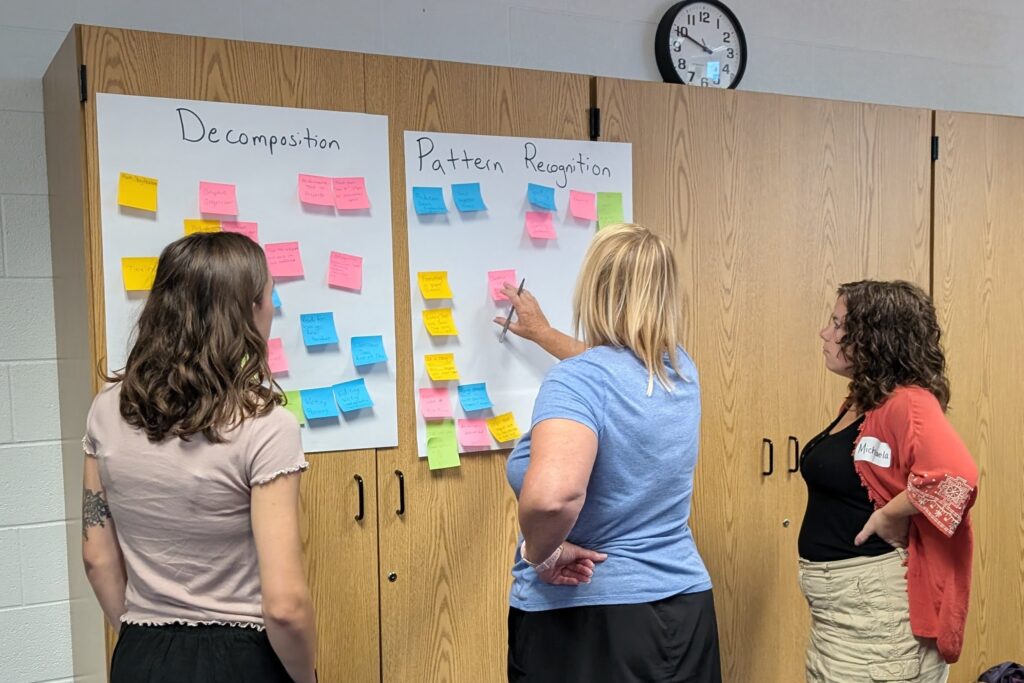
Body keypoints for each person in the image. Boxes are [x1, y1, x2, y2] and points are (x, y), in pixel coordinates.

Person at [81, 232, 317, 682]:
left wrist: (144, 641)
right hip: (240, 659)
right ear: (246, 312)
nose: (272, 309)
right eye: (268, 296)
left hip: (141, 653)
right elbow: (285, 606)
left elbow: (97, 558)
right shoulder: (265, 425)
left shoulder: (107, 408)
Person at [496, 223, 722, 682]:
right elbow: (616, 367)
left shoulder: (577, 382)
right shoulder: (676, 368)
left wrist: (541, 555)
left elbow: (552, 497)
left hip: (589, 619)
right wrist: (545, 335)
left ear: (593, 289)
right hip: (683, 611)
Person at [798, 280, 978, 683]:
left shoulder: (908, 402)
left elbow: (956, 477)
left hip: (878, 620)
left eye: (837, 324)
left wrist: (890, 514)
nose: (825, 333)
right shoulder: (864, 400)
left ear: (874, 338)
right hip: (842, 619)